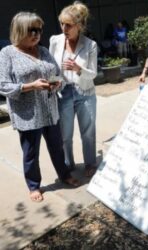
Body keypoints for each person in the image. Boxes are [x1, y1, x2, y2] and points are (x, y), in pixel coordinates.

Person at [0, 12, 80, 202]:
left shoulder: (43, 50)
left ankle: (64, 175)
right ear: (19, 30)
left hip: (50, 111)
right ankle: (34, 186)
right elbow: (2, 85)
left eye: (39, 29)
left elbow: (57, 73)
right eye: (31, 30)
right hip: (27, 115)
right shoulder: (7, 53)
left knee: (57, 148)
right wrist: (30, 86)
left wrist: (57, 82)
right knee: (31, 154)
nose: (37, 34)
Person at [49, 1, 98, 177]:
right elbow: (51, 68)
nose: (64, 28)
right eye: (62, 23)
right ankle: (68, 165)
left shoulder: (90, 45)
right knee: (65, 135)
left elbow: (93, 74)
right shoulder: (55, 41)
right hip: (63, 93)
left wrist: (78, 69)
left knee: (88, 132)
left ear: (78, 26)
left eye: (68, 25)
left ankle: (90, 163)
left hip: (85, 92)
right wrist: (52, 82)